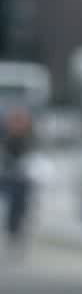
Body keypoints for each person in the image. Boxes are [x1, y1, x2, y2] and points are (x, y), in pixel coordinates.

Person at [2, 108, 34, 254]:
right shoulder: (7, 138)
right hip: (10, 178)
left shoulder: (28, 138)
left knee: (22, 208)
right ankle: (12, 232)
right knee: (12, 208)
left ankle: (17, 232)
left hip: (23, 179)